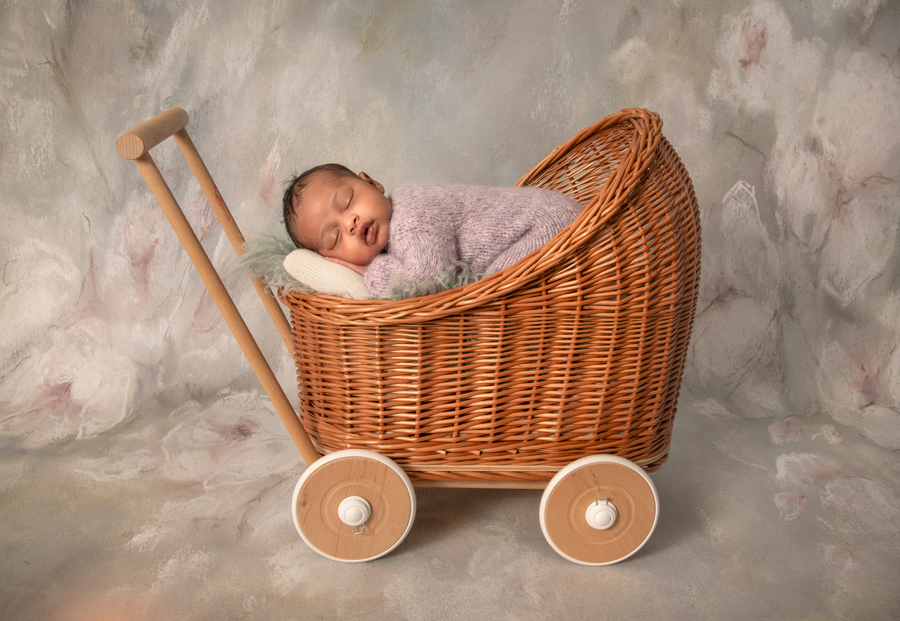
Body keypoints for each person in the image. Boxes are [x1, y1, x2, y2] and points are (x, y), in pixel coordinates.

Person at [282, 163, 582, 298]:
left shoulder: (412, 210)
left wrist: (370, 272)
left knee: (487, 300)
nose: (349, 223)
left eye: (347, 202)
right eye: (335, 237)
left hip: (548, 225)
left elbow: (427, 279)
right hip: (539, 229)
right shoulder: (393, 239)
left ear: (373, 183)